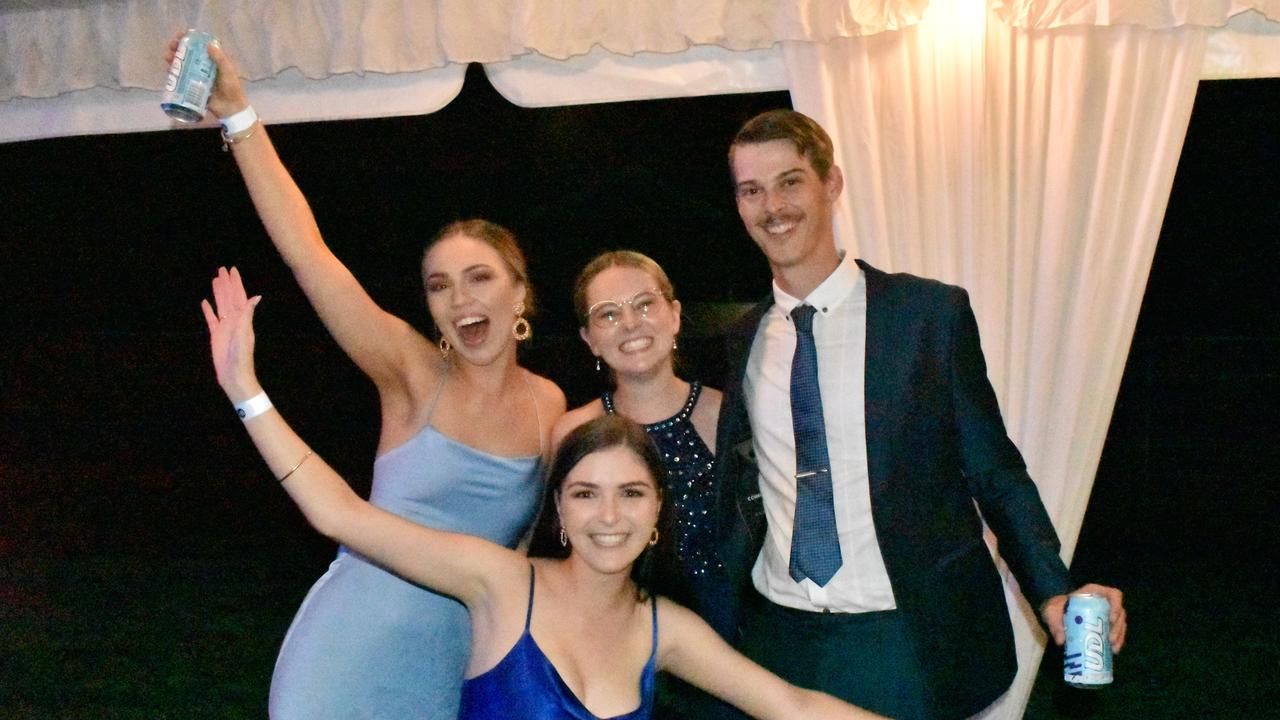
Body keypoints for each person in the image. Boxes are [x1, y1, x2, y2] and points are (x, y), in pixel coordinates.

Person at [200, 266, 887, 720]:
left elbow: (793, 708)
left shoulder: (663, 629)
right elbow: (337, 511)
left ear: (657, 512)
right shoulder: (499, 582)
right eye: (585, 494)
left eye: (631, 495)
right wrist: (245, 393)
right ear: (557, 507)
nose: (609, 517)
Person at [169, 36, 566, 718]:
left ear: (519, 293)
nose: (461, 299)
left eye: (480, 278)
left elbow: (524, 559)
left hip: (451, 664)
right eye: (440, 286)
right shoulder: (413, 373)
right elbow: (308, 253)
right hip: (348, 651)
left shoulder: (549, 405)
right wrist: (239, 116)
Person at [713, 109, 1128, 719]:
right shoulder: (742, 338)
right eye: (751, 190)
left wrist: (1052, 590)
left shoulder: (925, 315)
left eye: (790, 181)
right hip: (783, 639)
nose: (771, 205)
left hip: (908, 639)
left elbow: (992, 469)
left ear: (831, 183)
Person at [550, 251, 736, 719]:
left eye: (645, 305)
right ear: (589, 339)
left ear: (674, 315)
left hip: (727, 648)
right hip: (613, 650)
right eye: (607, 314)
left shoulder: (729, 414)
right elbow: (554, 550)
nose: (630, 323)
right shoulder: (571, 431)